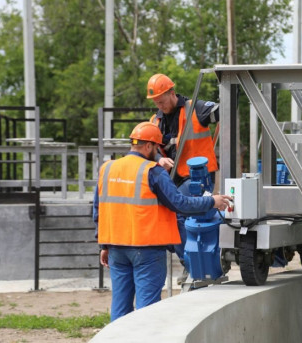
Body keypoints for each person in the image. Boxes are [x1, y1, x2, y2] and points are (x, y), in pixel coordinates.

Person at [93, 122, 231, 321]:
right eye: (157, 148)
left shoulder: (107, 169)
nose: (157, 153)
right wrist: (212, 201)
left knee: (120, 308)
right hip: (147, 249)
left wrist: (103, 245)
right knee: (147, 311)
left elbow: (99, 210)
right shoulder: (152, 171)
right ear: (148, 146)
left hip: (115, 248)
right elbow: (180, 203)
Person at [146, 73, 220, 277]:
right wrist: (158, 160)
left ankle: (190, 262)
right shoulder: (155, 120)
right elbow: (148, 151)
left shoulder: (196, 108)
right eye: (156, 103)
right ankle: (187, 257)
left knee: (176, 211)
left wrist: (228, 91)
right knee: (159, 214)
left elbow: (224, 110)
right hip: (172, 178)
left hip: (198, 177)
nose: (159, 106)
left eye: (161, 101)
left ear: (171, 93)